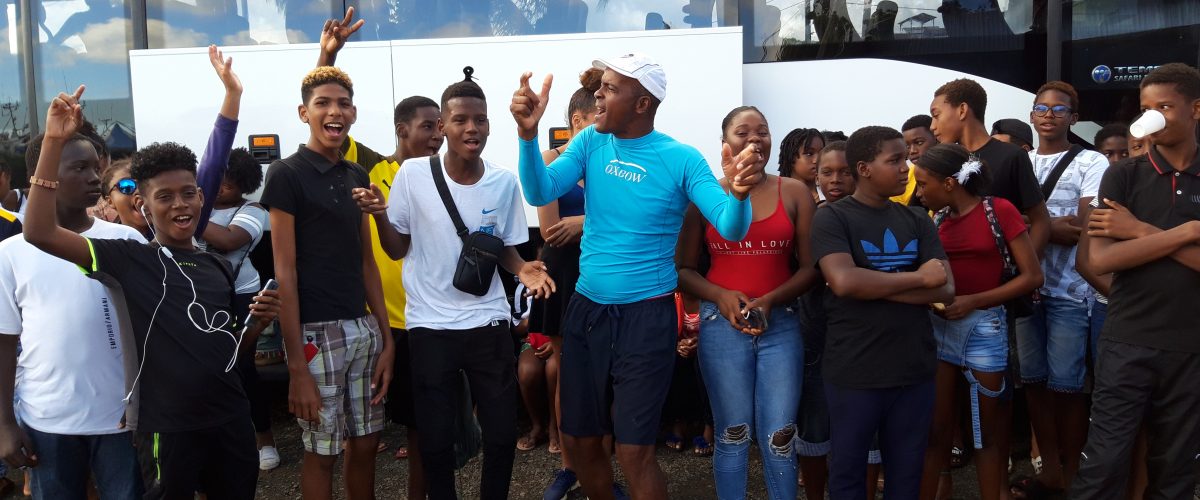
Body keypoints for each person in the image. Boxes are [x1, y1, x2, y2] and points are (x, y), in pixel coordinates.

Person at [510, 53, 762, 500]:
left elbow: (729, 226)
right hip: (587, 311)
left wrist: (739, 195)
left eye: (609, 88)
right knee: (579, 441)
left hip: (647, 317)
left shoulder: (681, 158)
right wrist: (528, 137)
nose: (598, 95)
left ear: (642, 103)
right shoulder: (591, 142)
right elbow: (539, 189)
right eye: (600, 87)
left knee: (633, 451)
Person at [20, 75, 280, 499]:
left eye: (189, 193)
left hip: (231, 419)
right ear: (142, 204)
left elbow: (230, 351)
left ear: (201, 198)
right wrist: (52, 141)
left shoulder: (216, 265)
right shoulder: (129, 258)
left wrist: (256, 324)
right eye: (165, 196)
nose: (180, 204)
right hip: (168, 430)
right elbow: (39, 232)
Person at [356, 66, 555, 500]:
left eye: (480, 120)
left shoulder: (503, 182)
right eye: (460, 119)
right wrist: (381, 216)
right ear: (442, 126)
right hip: (430, 325)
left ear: (489, 125)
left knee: (501, 435)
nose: (471, 128)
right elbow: (396, 249)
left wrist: (522, 268)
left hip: (487, 322)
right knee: (435, 440)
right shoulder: (412, 175)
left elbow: (504, 248)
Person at [313, 12, 444, 496]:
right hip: (376, 325)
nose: (438, 135)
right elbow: (325, 124)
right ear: (401, 130)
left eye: (441, 127)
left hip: (426, 324)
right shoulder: (369, 169)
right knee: (360, 436)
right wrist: (327, 56)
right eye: (428, 127)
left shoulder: (448, 177)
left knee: (423, 431)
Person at [260, 62, 395, 500]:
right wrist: (296, 368)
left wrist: (385, 337)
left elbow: (367, 262)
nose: (335, 111)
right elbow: (285, 271)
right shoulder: (286, 174)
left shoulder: (356, 175)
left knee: (367, 442)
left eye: (344, 104)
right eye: (323, 103)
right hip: (315, 334)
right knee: (322, 451)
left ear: (353, 113)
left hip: (362, 328)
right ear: (304, 113)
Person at [0, 115, 146, 500]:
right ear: (44, 176)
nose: (95, 178)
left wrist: (147, 406)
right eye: (79, 168)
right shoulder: (10, 253)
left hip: (120, 422)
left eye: (96, 167)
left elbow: (149, 331)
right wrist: (5, 424)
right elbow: (4, 344)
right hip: (47, 422)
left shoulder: (125, 240)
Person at [1073, 63, 1200, 500]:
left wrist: (1140, 231)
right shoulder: (1124, 174)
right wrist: (1187, 232)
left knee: (1176, 471)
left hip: (1191, 347)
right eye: (1147, 108)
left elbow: (1125, 246)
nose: (1153, 118)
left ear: (1196, 109)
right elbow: (1102, 258)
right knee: (1103, 464)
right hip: (1127, 341)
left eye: (1164, 107)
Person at [677, 106, 818, 499]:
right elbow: (683, 270)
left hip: (781, 324)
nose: (755, 139)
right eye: (743, 132)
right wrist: (720, 296)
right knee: (732, 434)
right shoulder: (705, 195)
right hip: (721, 325)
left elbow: (812, 269)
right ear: (724, 143)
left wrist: (771, 300)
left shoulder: (794, 192)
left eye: (763, 131)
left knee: (780, 437)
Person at [810, 125, 954, 500]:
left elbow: (945, 289)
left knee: (906, 476)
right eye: (895, 160)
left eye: (905, 158)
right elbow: (844, 282)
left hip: (913, 371)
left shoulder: (917, 219)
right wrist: (917, 279)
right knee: (848, 474)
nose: (907, 167)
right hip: (855, 371)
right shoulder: (832, 218)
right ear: (864, 168)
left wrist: (872, 287)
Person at [912, 143, 1043, 500]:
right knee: (937, 431)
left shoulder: (999, 210)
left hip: (985, 327)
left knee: (987, 433)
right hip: (940, 327)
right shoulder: (938, 218)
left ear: (949, 183)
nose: (919, 193)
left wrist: (973, 301)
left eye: (923, 184)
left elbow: (1032, 276)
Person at [1012, 81, 1109, 497]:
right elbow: (1001, 220)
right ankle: (1050, 470)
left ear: (1074, 117)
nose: (1049, 114)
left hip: (1071, 291)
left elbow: (1084, 227)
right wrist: (1050, 226)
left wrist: (1030, 225)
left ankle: (1073, 477)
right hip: (1025, 289)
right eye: (1041, 107)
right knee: (1033, 383)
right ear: (1032, 115)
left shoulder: (1092, 161)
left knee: (1068, 387)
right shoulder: (1018, 162)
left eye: (1059, 109)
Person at [534, 66, 602, 500]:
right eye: (597, 118)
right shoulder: (550, 161)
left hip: (602, 270)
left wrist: (581, 222)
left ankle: (601, 469)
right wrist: (590, 223)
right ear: (577, 121)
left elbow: (630, 219)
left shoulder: (610, 160)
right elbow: (549, 230)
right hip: (562, 273)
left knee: (602, 375)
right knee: (567, 372)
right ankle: (568, 467)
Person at [198, 146, 277, 471]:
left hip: (241, 295)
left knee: (241, 366)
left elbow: (230, 240)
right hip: (201, 295)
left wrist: (187, 217)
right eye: (215, 180)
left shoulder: (253, 210)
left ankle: (264, 439)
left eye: (227, 184)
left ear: (243, 185)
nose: (218, 188)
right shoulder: (197, 206)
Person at [930, 78, 1051, 257]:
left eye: (936, 115)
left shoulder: (1012, 156)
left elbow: (1041, 220)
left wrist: (1024, 267)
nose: (932, 126)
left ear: (962, 110)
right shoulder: (942, 162)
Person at [98, 159, 149, 236]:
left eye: (144, 183)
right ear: (110, 201)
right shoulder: (109, 240)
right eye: (127, 186)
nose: (138, 190)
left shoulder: (168, 233)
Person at [899, 114, 938, 205]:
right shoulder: (903, 178)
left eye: (919, 143)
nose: (912, 151)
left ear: (936, 139)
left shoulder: (954, 170)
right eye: (907, 146)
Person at [778, 127, 825, 202]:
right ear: (791, 157)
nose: (817, 160)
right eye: (809, 154)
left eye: (821, 153)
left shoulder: (832, 196)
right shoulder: (775, 196)